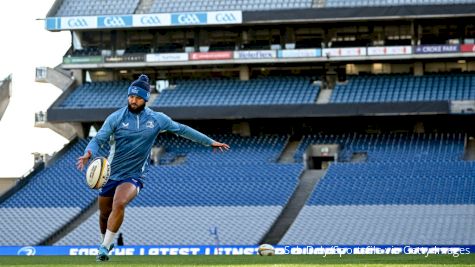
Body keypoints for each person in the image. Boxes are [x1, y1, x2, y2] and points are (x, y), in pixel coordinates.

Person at [76, 74, 230, 262]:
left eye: (138, 97)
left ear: (146, 99)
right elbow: (98, 139)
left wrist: (209, 142)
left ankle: (104, 247)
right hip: (110, 173)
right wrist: (88, 153)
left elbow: (182, 130)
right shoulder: (115, 118)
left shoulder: (157, 119)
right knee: (104, 214)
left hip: (134, 175)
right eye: (131, 96)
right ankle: (105, 242)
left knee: (119, 202)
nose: (133, 100)